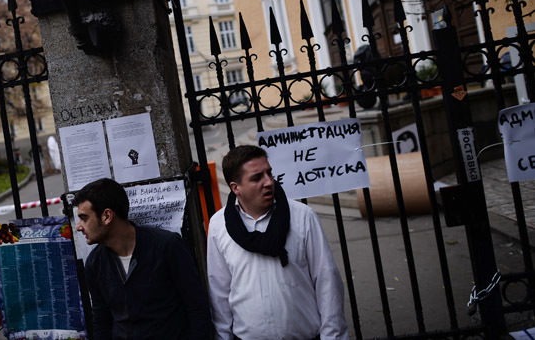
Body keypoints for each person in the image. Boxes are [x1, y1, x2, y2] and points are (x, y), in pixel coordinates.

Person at [207, 145, 348, 340]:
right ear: (235, 188)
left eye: (269, 173)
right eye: (257, 177)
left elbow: (327, 281)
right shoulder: (218, 225)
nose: (268, 182)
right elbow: (219, 291)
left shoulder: (302, 217)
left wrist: (333, 336)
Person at [74, 178, 211, 340]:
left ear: (107, 216)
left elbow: (198, 308)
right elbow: (101, 320)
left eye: (84, 218)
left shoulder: (166, 246)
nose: (78, 226)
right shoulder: (94, 264)